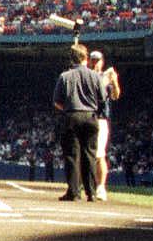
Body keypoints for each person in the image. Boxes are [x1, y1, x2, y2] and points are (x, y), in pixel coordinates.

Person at [52, 44, 106, 201]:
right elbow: (102, 99)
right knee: (90, 155)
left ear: (71, 58)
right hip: (91, 116)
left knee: (72, 155)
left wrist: (69, 109)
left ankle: (74, 192)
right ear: (86, 58)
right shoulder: (95, 76)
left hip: (72, 115)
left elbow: (57, 102)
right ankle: (91, 193)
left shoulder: (65, 76)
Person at [86, 47, 122, 201]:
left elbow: (115, 95)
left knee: (99, 154)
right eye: (92, 60)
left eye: (97, 61)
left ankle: (101, 187)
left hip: (100, 118)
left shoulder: (105, 77)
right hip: (86, 117)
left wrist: (113, 81)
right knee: (86, 154)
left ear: (101, 62)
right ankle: (88, 184)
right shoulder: (86, 76)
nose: (95, 63)